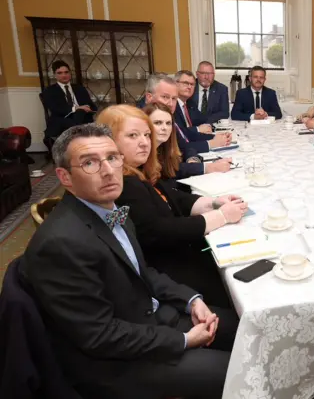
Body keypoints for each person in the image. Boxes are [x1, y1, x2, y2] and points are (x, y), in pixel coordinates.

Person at [19, 123, 239, 399]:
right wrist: (182, 340)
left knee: (246, 325)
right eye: (90, 163)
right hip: (117, 363)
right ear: (64, 176)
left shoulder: (110, 209)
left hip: (147, 321)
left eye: (112, 157)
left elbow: (141, 271)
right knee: (243, 373)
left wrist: (191, 299)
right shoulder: (61, 244)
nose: (109, 170)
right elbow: (99, 335)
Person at [97, 104, 247, 306]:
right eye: (133, 136)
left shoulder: (136, 170)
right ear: (109, 142)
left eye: (146, 135)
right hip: (165, 270)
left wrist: (212, 203)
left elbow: (172, 198)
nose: (144, 143)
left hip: (174, 255)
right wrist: (220, 217)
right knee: (235, 284)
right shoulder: (124, 184)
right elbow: (158, 231)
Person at [144, 73, 232, 176]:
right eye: (165, 97)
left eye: (174, 99)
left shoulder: (168, 118)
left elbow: (184, 145)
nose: (170, 104)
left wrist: (193, 159)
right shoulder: (141, 124)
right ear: (149, 97)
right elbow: (163, 169)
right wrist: (206, 167)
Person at [42, 60, 98, 139]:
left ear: (70, 73)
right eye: (60, 73)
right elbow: (56, 109)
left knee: (80, 113)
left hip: (82, 118)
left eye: (66, 72)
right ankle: (78, 135)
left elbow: (91, 105)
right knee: (78, 114)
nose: (64, 75)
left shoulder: (80, 88)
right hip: (62, 120)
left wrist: (86, 107)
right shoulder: (50, 91)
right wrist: (76, 108)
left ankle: (76, 135)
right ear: (54, 75)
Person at [175, 69, 219, 138]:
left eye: (192, 84)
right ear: (175, 84)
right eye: (185, 83)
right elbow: (178, 132)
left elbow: (203, 119)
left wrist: (209, 127)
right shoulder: (172, 105)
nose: (189, 87)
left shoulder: (189, 103)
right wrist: (198, 129)